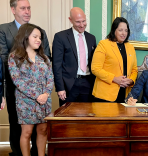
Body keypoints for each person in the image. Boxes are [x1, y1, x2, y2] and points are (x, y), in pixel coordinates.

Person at [0, 0, 51, 155]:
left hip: (43, 94)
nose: (27, 11)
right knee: (19, 128)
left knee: (41, 130)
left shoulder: (39, 31)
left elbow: (47, 57)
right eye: (23, 8)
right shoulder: (3, 30)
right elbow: (3, 58)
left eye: (29, 8)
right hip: (17, 90)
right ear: (13, 10)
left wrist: (45, 92)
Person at [8, 23, 53, 156]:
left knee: (43, 131)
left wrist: (45, 94)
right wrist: (37, 95)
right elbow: (18, 81)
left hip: (44, 102)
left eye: (40, 37)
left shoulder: (44, 58)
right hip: (25, 102)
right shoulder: (14, 57)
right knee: (26, 133)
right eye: (35, 36)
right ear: (25, 37)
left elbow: (50, 78)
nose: (38, 40)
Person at [52, 7, 96, 106]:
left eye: (83, 21)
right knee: (66, 117)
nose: (82, 25)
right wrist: (60, 88)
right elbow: (56, 65)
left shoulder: (91, 38)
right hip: (69, 85)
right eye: (78, 22)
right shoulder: (60, 37)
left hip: (87, 83)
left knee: (85, 117)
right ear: (70, 20)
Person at [91, 17, 138, 102]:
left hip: (124, 94)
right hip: (105, 95)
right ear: (114, 30)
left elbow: (134, 70)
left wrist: (131, 80)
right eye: (120, 30)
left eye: (126, 30)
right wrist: (114, 79)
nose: (124, 33)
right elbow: (95, 68)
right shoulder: (104, 44)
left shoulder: (130, 47)